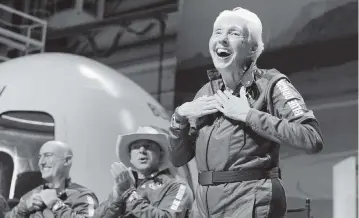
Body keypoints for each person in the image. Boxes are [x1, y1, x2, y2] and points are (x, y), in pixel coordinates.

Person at [169, 7, 324, 218]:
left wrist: (248, 115)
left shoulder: (272, 84)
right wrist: (179, 118)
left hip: (251, 201)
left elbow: (311, 138)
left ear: (252, 48)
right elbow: (179, 158)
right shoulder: (205, 93)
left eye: (233, 33)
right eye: (217, 32)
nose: (222, 39)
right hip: (204, 207)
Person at [94, 126, 193, 218]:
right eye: (136, 147)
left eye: (148, 146)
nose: (141, 150)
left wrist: (130, 195)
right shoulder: (124, 185)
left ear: (161, 153)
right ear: (130, 156)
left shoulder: (177, 186)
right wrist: (115, 199)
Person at [4, 140, 99, 218]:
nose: (41, 162)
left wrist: (56, 205)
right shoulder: (31, 195)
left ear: (67, 160)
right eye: (40, 157)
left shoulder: (82, 196)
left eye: (48, 155)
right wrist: (23, 208)